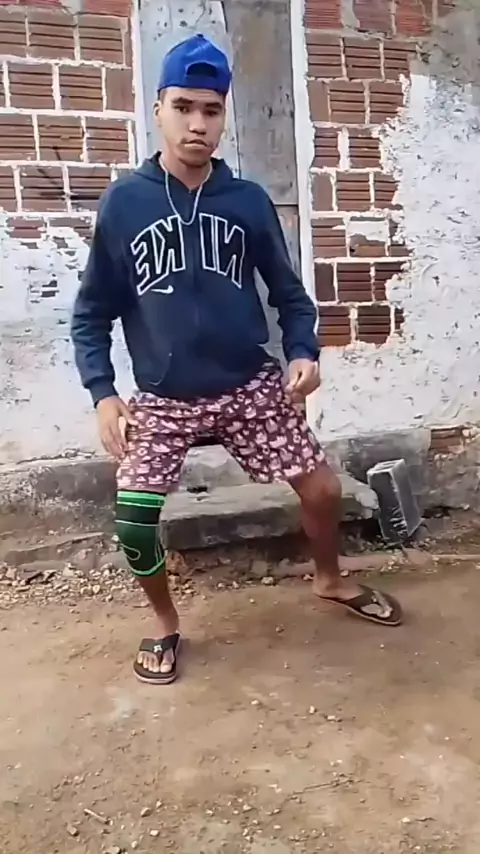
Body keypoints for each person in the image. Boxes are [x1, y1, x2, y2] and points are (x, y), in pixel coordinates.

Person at [71, 33, 402, 686]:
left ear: (224, 116)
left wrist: (302, 352)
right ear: (159, 109)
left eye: (211, 110)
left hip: (247, 385)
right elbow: (91, 314)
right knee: (133, 521)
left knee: (324, 489)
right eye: (183, 107)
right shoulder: (124, 203)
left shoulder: (247, 201)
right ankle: (164, 623)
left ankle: (330, 578)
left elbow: (289, 296)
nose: (197, 124)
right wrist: (103, 393)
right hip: (164, 394)